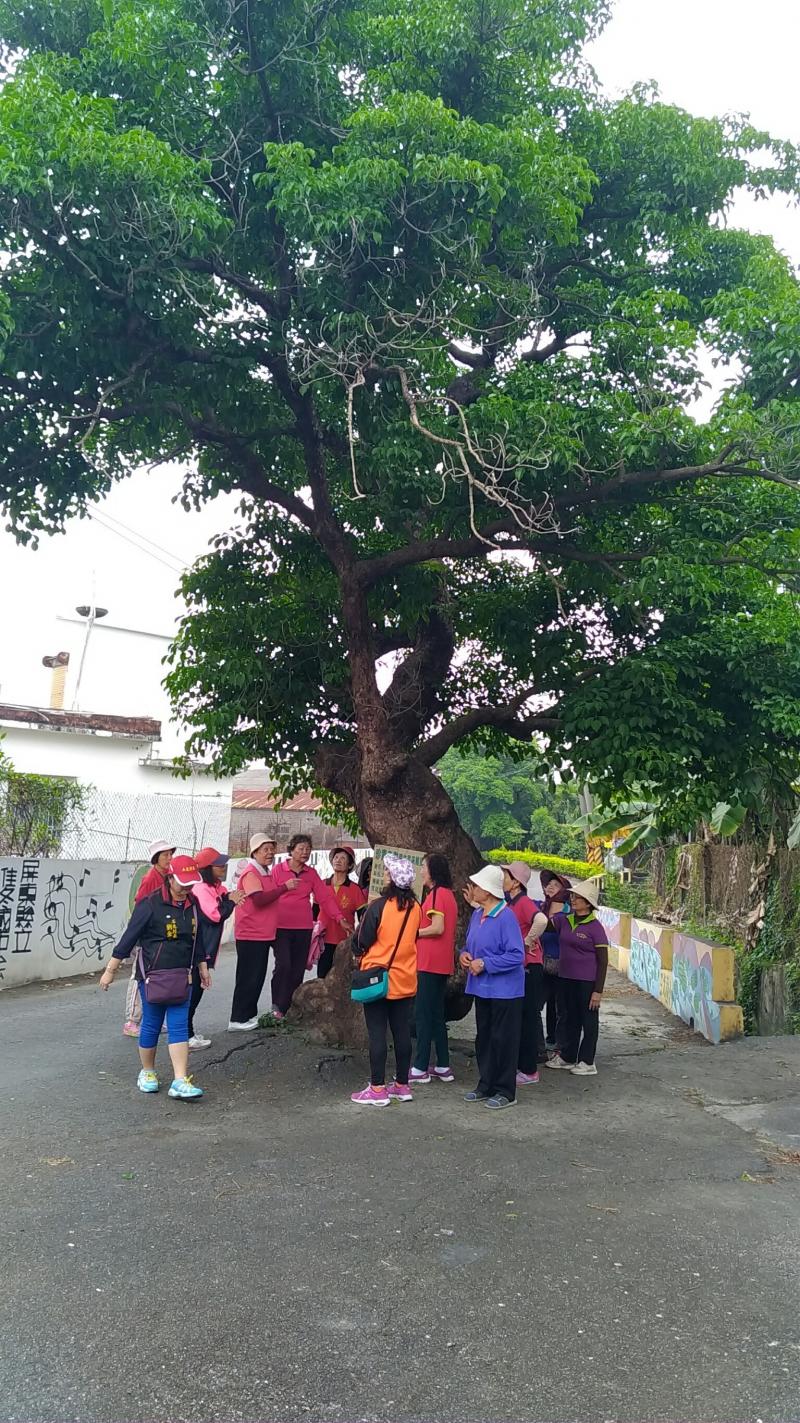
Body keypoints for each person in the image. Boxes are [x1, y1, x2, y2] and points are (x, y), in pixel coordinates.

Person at [99, 855, 208, 1100]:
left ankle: (180, 1080)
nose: (187, 889)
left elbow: (196, 938)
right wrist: (110, 970)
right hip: (152, 976)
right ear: (170, 878)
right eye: (182, 884)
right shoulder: (150, 904)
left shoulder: (193, 903)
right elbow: (129, 938)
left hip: (183, 975)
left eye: (191, 884)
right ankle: (147, 1072)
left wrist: (202, 966)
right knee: (152, 1023)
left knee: (179, 1026)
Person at [350, 854, 422, 1106]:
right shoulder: (417, 908)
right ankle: (402, 1085)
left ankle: (378, 1088)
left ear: (391, 877)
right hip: (405, 977)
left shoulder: (379, 906)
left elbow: (362, 940)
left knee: (377, 1033)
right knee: (402, 1033)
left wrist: (357, 950)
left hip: (377, 977)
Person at [460, 865, 525, 1110]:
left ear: (487, 891)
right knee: (484, 1038)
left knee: (503, 1039)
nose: (472, 889)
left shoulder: (506, 917)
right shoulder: (477, 915)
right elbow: (470, 945)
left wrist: (485, 963)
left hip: (505, 990)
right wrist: (464, 956)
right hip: (482, 988)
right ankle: (486, 1084)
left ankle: (505, 1090)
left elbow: (516, 955)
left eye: (476, 886)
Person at [270, 835, 349, 1019]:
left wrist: (340, 919)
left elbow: (325, 899)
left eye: (308, 849)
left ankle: (290, 1006)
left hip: (303, 927)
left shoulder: (311, 874)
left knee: (298, 967)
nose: (305, 852)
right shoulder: (277, 870)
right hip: (281, 927)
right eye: (300, 849)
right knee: (283, 964)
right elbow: (270, 894)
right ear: (291, 850)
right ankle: (277, 1005)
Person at [545, 879, 608, 1077]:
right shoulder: (565, 920)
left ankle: (587, 1060)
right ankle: (567, 1056)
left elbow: (603, 962)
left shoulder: (595, 927)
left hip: (587, 981)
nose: (573, 899)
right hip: (566, 978)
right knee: (567, 1017)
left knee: (588, 1020)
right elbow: (544, 923)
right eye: (572, 896)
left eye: (577, 897)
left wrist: (597, 991)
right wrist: (560, 895)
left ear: (588, 903)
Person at [229, 833, 289, 1031]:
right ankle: (238, 1018)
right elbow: (259, 899)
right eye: (265, 849)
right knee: (248, 977)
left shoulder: (265, 871)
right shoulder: (251, 873)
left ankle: (248, 1015)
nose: (270, 853)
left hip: (263, 933)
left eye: (272, 849)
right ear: (254, 852)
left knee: (256, 976)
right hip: (251, 933)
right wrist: (284, 888)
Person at [187, 848, 244, 1049]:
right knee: (193, 991)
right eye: (219, 865)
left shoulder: (215, 887)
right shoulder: (201, 888)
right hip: (197, 949)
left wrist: (231, 897)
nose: (224, 868)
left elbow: (225, 896)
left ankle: (186, 1032)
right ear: (206, 869)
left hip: (204, 947)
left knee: (196, 990)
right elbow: (216, 914)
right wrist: (231, 902)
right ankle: (187, 1034)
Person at [410, 854, 458, 1084]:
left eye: (424, 867)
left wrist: (414, 933)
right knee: (437, 1015)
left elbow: (437, 927)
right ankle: (442, 1064)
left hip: (429, 961)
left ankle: (420, 1066)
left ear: (433, 871)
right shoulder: (447, 894)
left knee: (422, 1014)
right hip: (441, 962)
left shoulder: (438, 894)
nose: (421, 871)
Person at [123, 839, 177, 1037]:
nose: (170, 858)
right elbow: (141, 908)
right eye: (165, 855)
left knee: (154, 975)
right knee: (139, 975)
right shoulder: (150, 878)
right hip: (146, 935)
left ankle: (150, 1019)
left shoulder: (166, 876)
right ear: (156, 858)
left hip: (158, 934)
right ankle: (131, 1020)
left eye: (171, 854)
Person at [501, 861, 549, 1087]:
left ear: (516, 882)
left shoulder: (523, 902)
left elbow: (541, 920)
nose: (503, 879)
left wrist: (527, 941)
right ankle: (522, 1066)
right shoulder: (512, 903)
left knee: (528, 1018)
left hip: (530, 966)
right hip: (522, 967)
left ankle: (530, 1070)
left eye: (506, 875)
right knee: (521, 1017)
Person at [317, 846, 367, 979]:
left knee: (341, 979)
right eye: (336, 857)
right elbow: (313, 912)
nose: (338, 860)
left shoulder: (355, 890)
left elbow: (363, 917)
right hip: (323, 940)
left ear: (350, 865)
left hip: (343, 943)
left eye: (343, 858)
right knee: (322, 977)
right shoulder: (321, 885)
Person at [536, 871, 571, 1051]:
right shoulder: (541, 906)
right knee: (540, 1003)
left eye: (556, 885)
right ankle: (547, 1041)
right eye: (549, 884)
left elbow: (550, 926)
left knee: (559, 1006)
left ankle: (559, 1043)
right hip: (543, 963)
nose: (550, 887)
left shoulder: (565, 910)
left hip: (561, 964)